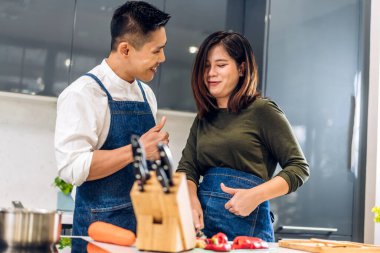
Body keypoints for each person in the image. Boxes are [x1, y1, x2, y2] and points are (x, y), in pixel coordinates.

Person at [177, 31, 310, 242]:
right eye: (206, 66)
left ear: (241, 68)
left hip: (247, 228)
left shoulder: (262, 110)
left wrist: (255, 195)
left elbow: (299, 168)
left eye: (220, 65)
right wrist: (191, 201)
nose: (211, 73)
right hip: (202, 230)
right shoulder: (204, 117)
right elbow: (187, 169)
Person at [54, 1, 170, 236]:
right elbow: (73, 168)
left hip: (144, 230)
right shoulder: (82, 94)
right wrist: (137, 150)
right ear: (125, 49)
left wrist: (157, 154)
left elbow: (142, 166)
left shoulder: (146, 94)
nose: (163, 58)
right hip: (100, 232)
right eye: (156, 51)